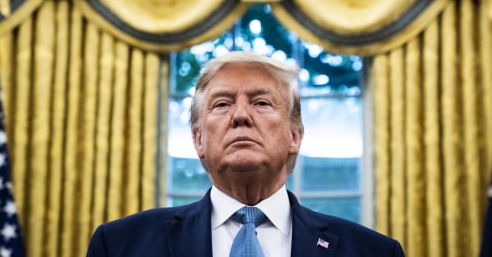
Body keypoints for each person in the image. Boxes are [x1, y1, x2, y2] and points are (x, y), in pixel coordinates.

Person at [86, 51, 405, 256]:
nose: (241, 115)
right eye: (222, 104)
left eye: (262, 103)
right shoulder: (119, 245)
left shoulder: (373, 251)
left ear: (295, 136)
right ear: (199, 139)